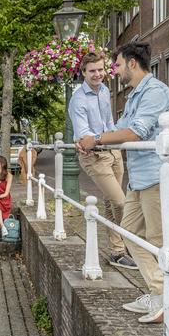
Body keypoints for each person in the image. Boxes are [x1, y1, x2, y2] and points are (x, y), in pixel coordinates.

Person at [77, 42, 169, 324]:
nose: (113, 71)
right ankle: (157, 292)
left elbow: (136, 133)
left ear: (131, 63)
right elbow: (117, 129)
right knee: (129, 233)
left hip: (157, 175)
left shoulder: (154, 91)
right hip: (139, 178)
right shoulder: (134, 95)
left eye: (116, 65)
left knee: (157, 239)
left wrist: (97, 140)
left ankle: (165, 300)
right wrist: (89, 142)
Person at [69, 51, 137, 271]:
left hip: (113, 151)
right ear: (84, 73)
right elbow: (84, 134)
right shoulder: (78, 100)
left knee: (110, 202)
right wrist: (84, 140)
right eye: (92, 71)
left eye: (100, 70)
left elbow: (109, 122)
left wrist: (116, 138)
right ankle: (134, 246)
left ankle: (117, 252)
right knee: (121, 202)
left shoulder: (105, 90)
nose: (97, 74)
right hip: (95, 155)